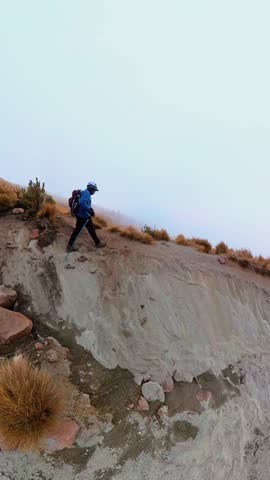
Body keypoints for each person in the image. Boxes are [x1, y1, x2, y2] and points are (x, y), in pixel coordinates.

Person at [66, 181, 106, 252]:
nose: (94, 191)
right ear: (91, 188)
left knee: (91, 229)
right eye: (94, 190)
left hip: (84, 216)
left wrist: (90, 209)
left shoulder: (85, 192)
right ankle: (69, 246)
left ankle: (97, 242)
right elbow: (81, 202)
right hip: (83, 216)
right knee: (77, 231)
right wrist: (89, 210)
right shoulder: (87, 193)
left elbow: (85, 203)